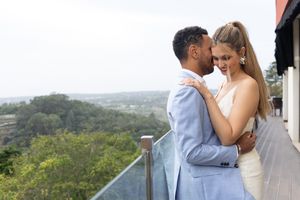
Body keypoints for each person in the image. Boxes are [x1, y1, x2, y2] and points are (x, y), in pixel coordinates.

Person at [182, 21, 271, 200]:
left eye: (226, 57)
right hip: (226, 170)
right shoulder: (224, 83)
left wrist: (207, 95)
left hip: (244, 172)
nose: (220, 64)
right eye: (216, 58)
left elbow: (228, 137)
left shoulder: (248, 85)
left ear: (242, 53)